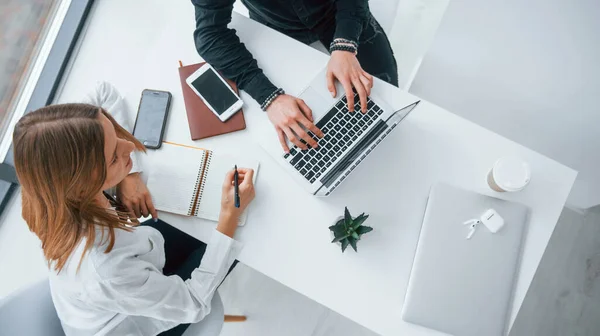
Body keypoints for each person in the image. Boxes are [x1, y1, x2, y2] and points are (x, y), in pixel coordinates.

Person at [13, 82, 255, 336]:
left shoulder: (50, 188)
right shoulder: (105, 267)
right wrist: (229, 216)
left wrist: (130, 174)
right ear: (83, 184)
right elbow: (194, 302)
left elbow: (103, 91)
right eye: (114, 156)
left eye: (116, 135)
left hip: (129, 274)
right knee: (242, 234)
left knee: (209, 226)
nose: (130, 146)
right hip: (133, 321)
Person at [192, 0, 398, 153]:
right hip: (278, 30)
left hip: (342, 14)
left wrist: (345, 44)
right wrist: (269, 97)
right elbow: (210, 34)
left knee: (389, 108)